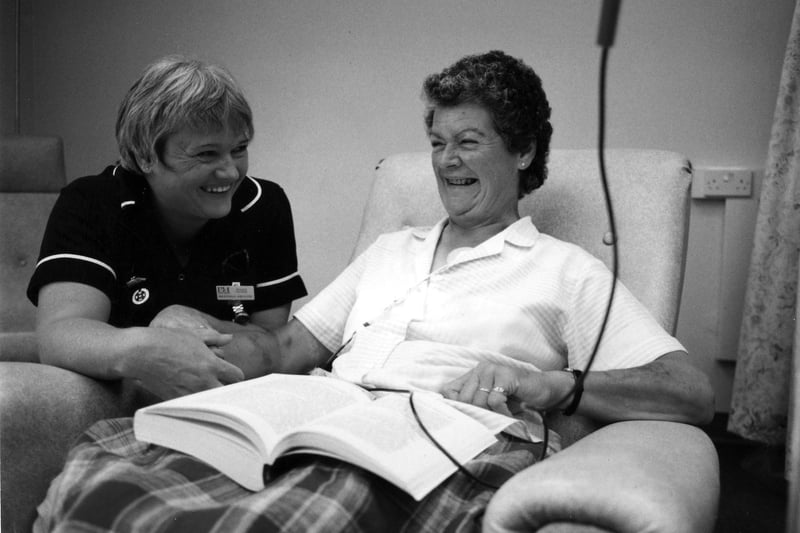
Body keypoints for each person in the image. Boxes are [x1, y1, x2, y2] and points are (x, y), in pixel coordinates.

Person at [34, 51, 714, 533]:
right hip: (326, 421)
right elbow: (287, 346)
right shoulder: (393, 249)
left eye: (468, 141)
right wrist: (184, 335)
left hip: (437, 441)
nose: (445, 161)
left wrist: (551, 384)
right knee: (110, 477)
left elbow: (687, 389)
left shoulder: (564, 269)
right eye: (437, 141)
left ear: (525, 151)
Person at [26, 55, 307, 401]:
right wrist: (148, 345)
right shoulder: (91, 202)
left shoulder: (265, 205)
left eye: (239, 149)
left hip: (233, 401)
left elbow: (272, 345)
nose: (231, 172)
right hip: (118, 400)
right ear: (145, 156)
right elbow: (60, 335)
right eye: (206, 154)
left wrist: (186, 321)